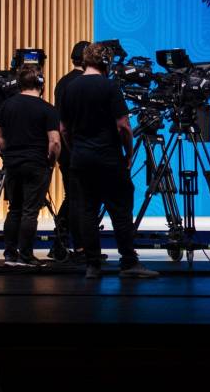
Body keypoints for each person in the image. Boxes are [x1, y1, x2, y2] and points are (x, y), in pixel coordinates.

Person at [56, 42, 158, 279]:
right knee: (120, 212)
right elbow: (123, 126)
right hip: (109, 158)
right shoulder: (110, 87)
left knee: (87, 211)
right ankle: (129, 262)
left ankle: (92, 265)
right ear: (106, 62)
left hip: (81, 159)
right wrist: (130, 153)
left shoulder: (70, 88)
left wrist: (76, 149)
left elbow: (63, 129)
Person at [0, 66, 61, 267]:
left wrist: (9, 154)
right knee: (30, 211)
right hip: (37, 164)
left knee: (14, 209)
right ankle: (26, 255)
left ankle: (10, 254)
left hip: (12, 164)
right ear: (41, 84)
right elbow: (55, 142)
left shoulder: (7, 106)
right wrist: (51, 161)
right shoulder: (48, 109)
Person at [53, 40, 90, 260]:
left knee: (73, 196)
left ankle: (61, 241)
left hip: (65, 150)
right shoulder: (86, 83)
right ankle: (77, 246)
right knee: (78, 198)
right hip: (80, 148)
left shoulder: (62, 82)